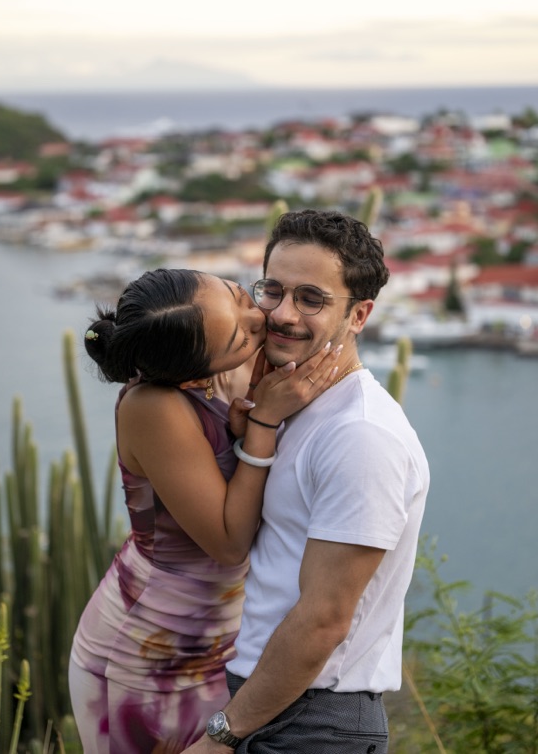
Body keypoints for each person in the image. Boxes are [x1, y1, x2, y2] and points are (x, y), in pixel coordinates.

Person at [184, 210, 430, 754]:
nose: (283, 313)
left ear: (359, 314)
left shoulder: (361, 435)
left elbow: (324, 619)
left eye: (311, 299)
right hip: (275, 704)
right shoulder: (292, 406)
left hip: (312, 723)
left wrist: (222, 735)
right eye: (273, 289)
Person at [68, 267, 343, 754]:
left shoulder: (224, 372)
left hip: (221, 634)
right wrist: (261, 424)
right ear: (192, 372)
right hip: (154, 648)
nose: (258, 316)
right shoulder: (153, 406)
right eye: (242, 335)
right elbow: (228, 542)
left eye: (238, 295)